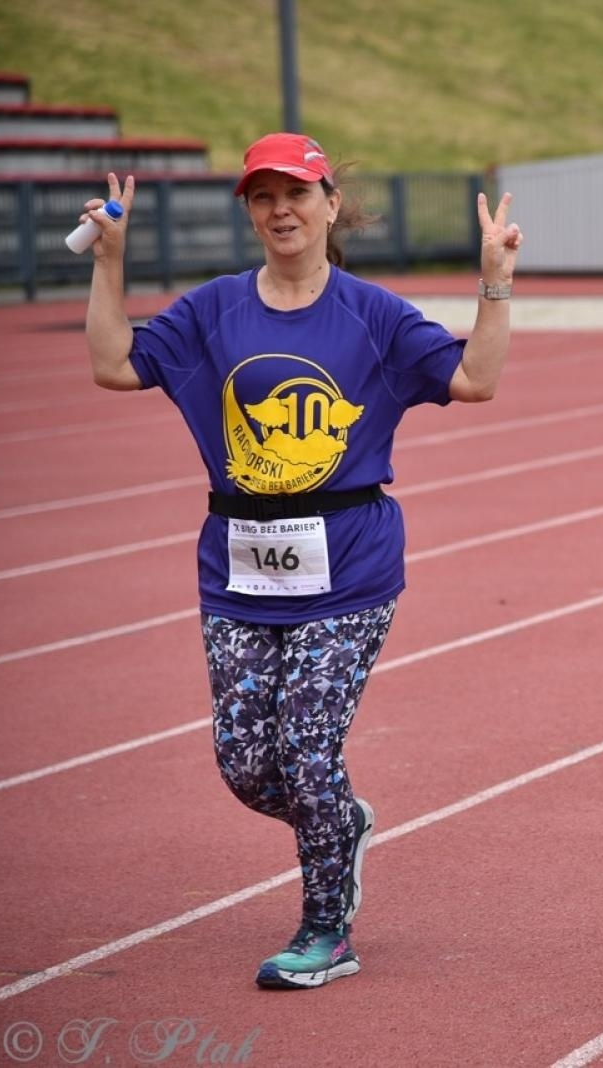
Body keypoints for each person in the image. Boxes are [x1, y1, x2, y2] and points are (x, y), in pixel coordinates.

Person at [79, 132, 523, 987]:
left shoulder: (373, 314)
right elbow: (112, 365)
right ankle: (338, 824)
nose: (280, 210)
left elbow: (476, 380)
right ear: (251, 212)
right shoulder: (213, 310)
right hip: (238, 570)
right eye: (263, 197)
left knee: (309, 750)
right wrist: (110, 260)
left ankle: (327, 930)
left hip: (349, 566)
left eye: (296, 194)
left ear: (330, 206)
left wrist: (494, 281)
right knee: (247, 765)